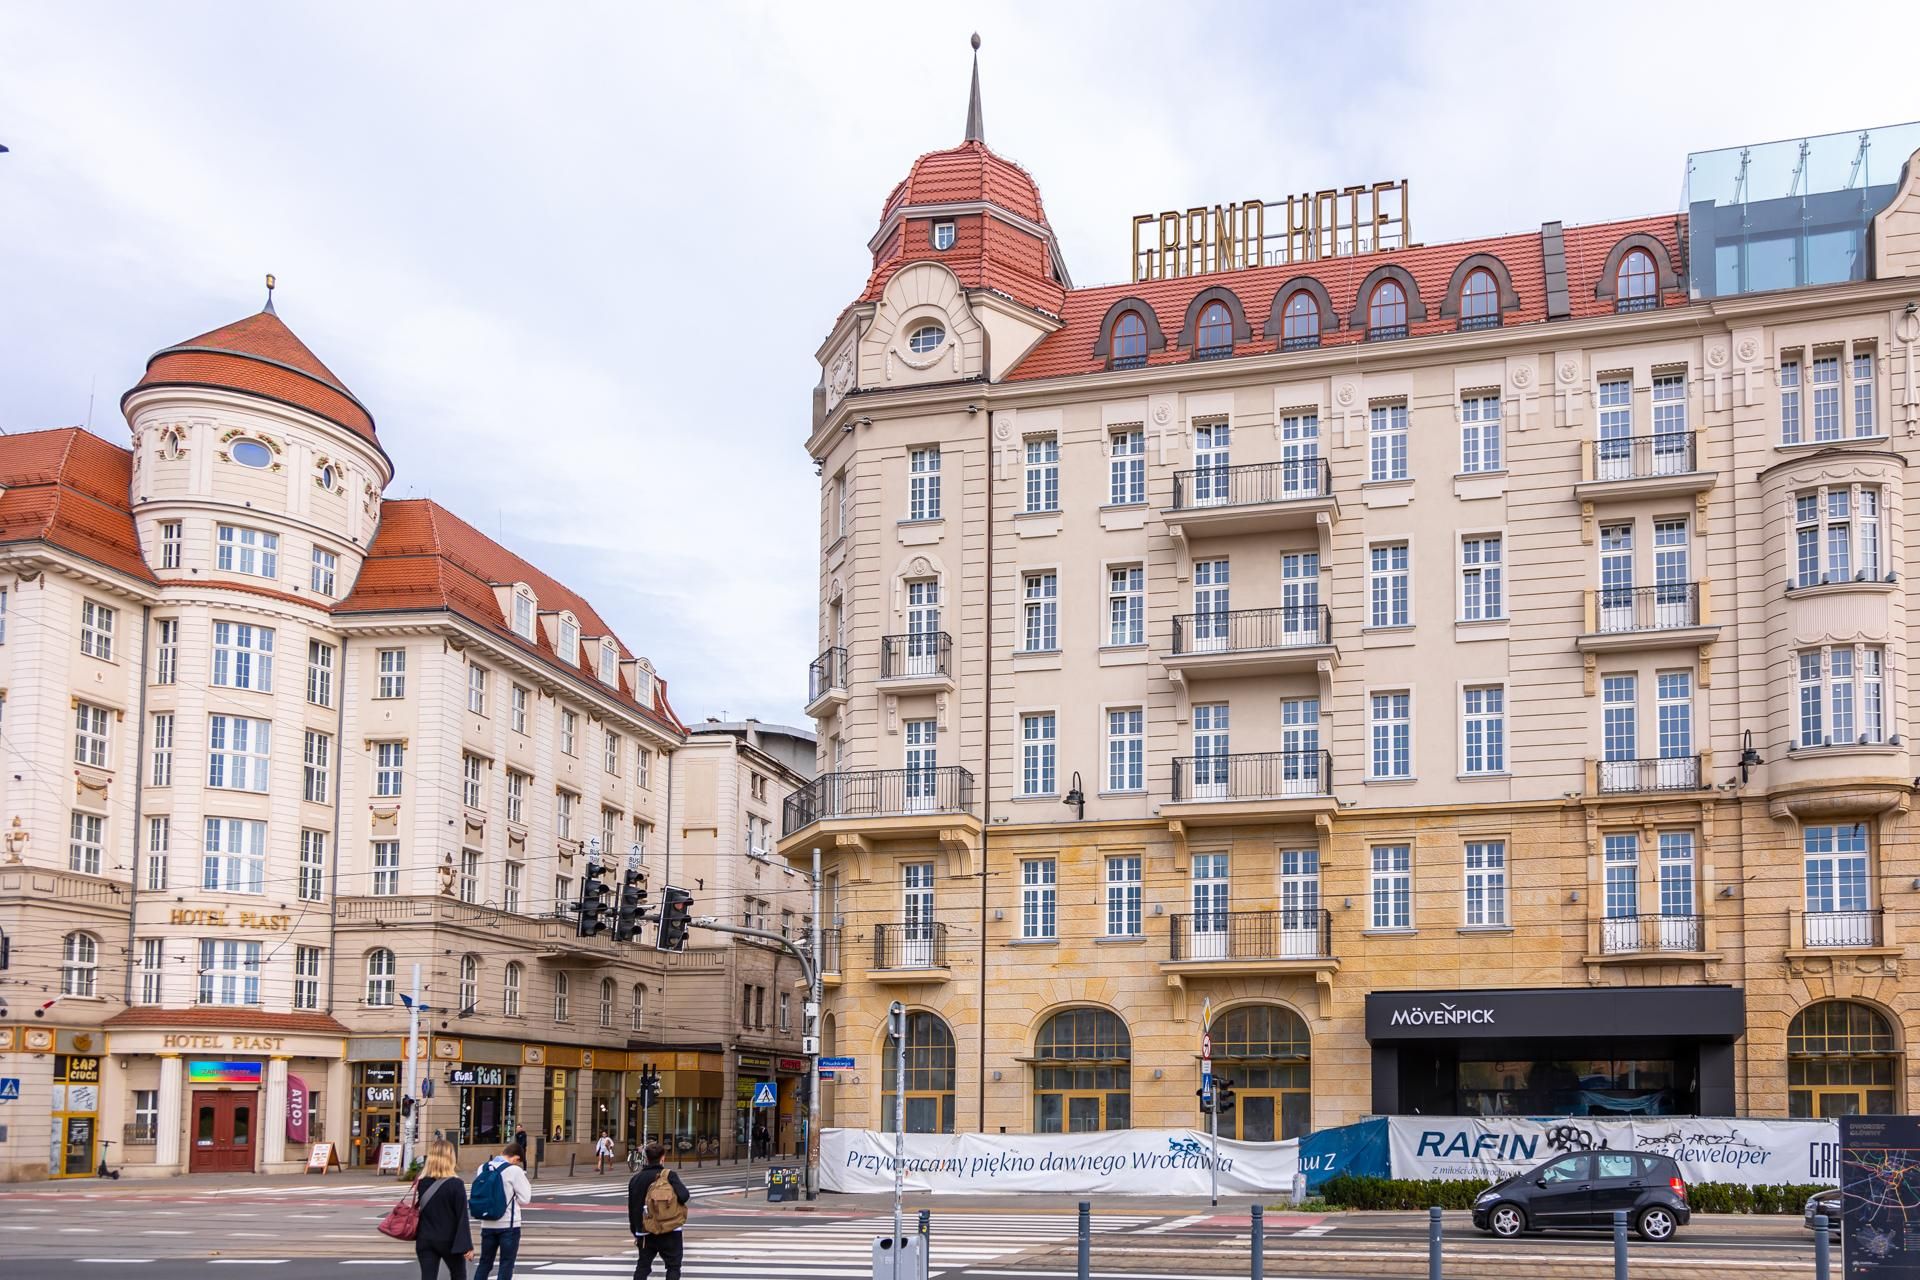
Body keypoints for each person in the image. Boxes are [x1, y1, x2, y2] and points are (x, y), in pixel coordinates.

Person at [627, 1140, 689, 1280]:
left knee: (643, 1267)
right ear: (662, 1157)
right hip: (669, 1229)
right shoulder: (669, 1175)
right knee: (673, 1267)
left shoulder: (636, 1179)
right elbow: (684, 1196)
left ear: (646, 1158)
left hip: (644, 1230)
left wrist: (636, 1231)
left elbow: (632, 1208)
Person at [414, 1137, 475, 1280]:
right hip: (449, 1240)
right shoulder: (456, 1184)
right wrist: (467, 1246)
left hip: (425, 1238)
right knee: (458, 1275)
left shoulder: (422, 1182)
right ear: (450, 1158)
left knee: (428, 1277)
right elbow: (462, 1217)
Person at [472, 1141, 533, 1280]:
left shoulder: (483, 1168)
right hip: (509, 1225)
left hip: (487, 1223)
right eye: (517, 1162)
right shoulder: (514, 1170)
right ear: (516, 1158)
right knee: (506, 1264)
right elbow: (525, 1199)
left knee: (485, 1263)